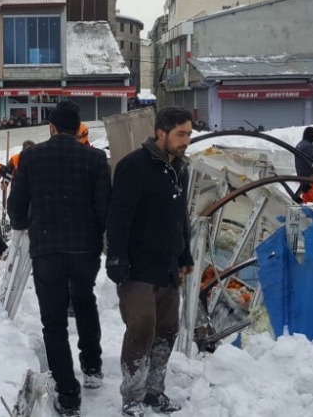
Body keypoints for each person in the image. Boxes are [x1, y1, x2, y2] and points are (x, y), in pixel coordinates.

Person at [6, 100, 111, 416]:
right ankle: (92, 367)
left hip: (47, 249)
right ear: (79, 128)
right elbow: (104, 207)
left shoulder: (30, 157)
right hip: (85, 250)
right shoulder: (95, 158)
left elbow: (16, 206)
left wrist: (24, 225)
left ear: (50, 127)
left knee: (53, 322)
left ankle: (68, 395)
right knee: (84, 301)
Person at [106, 107, 194, 416]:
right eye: (181, 134)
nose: (186, 140)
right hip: (137, 265)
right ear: (161, 133)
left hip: (167, 265)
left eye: (189, 134)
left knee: (168, 329)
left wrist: (185, 254)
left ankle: (155, 391)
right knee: (142, 327)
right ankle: (133, 396)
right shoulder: (134, 166)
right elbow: (118, 215)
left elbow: (179, 216)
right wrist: (116, 257)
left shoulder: (179, 168)